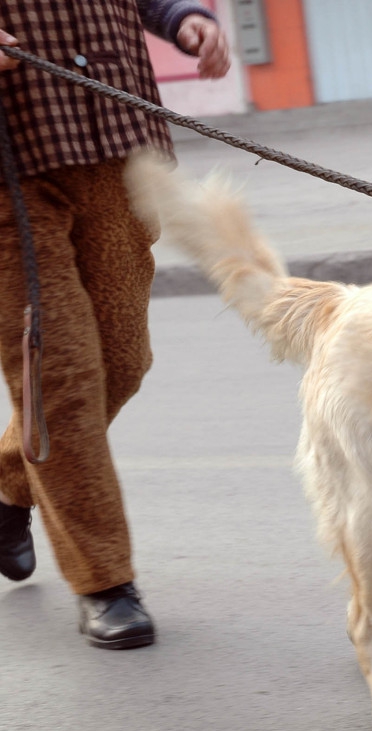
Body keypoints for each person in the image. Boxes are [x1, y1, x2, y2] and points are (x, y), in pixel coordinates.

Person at [0, 2, 230, 648]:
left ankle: (10, 482)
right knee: (61, 376)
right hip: (12, 167)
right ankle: (104, 581)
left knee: (122, 362)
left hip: (116, 144)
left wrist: (185, 17)